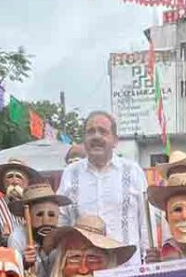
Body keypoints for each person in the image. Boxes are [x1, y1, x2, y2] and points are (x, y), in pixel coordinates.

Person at [57, 112, 149, 266]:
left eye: (103, 131)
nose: (96, 136)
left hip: (126, 269)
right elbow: (62, 222)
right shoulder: (70, 173)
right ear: (84, 139)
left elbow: (146, 222)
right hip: (83, 270)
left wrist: (147, 263)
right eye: (90, 131)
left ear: (115, 140)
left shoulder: (132, 171)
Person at [9, 182, 72, 277]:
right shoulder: (17, 238)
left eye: (51, 215)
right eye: (39, 214)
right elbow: (11, 274)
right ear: (26, 217)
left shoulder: (63, 239)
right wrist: (23, 263)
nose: (46, 221)